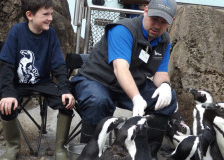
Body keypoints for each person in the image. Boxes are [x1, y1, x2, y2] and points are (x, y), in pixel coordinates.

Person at [71, 0, 177, 159]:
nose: (157, 25)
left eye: (163, 22)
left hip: (131, 84)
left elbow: (160, 74)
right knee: (97, 101)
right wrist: (136, 98)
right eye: (155, 18)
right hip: (96, 80)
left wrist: (165, 86)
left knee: (167, 100)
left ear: (171, 22)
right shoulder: (123, 30)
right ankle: (89, 153)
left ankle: (147, 153)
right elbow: (120, 69)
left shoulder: (164, 40)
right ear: (146, 11)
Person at [0, 0, 75, 159]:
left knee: (66, 104)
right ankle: (13, 147)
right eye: (45, 14)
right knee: (6, 105)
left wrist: (65, 90)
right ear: (30, 15)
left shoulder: (51, 34)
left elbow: (59, 65)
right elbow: (6, 65)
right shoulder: (17, 31)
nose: (50, 18)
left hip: (43, 82)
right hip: (17, 83)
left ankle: (60, 149)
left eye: (51, 13)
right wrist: (8, 93)